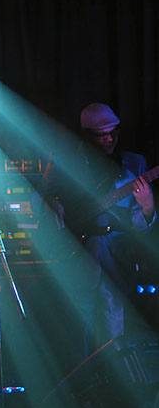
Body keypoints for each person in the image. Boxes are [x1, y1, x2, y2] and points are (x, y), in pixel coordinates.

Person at [45, 103, 155, 356]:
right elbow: (45, 192)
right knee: (76, 323)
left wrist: (148, 207)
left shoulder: (134, 163)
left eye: (113, 133)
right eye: (101, 135)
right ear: (86, 135)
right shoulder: (67, 160)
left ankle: (116, 376)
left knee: (114, 321)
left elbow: (139, 223)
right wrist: (52, 204)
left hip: (116, 252)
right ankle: (83, 377)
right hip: (76, 252)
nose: (109, 139)